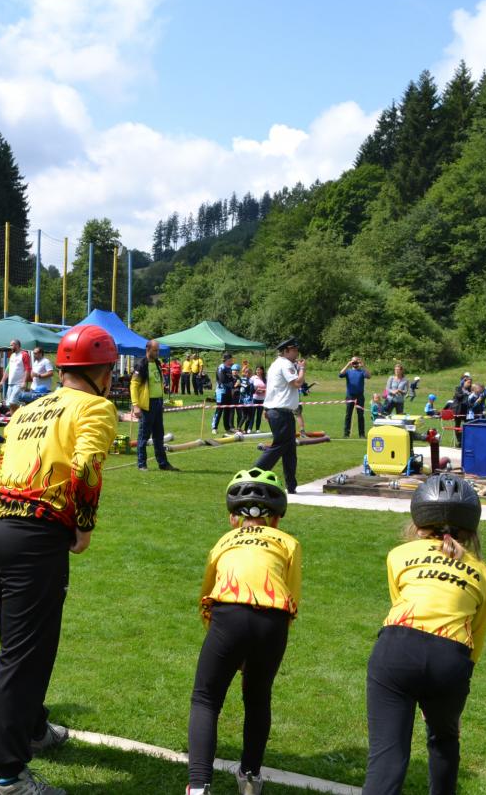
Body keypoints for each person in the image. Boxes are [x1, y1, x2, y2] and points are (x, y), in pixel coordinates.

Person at [0, 325, 119, 795]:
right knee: (24, 655)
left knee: (20, 645)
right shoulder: (96, 407)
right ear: (103, 372)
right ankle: (6, 777)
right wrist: (84, 524)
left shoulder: (29, 407)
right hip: (34, 537)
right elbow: (87, 466)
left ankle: (35, 728)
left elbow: (1, 464)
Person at [363, 474, 486, 795]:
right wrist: (454, 690)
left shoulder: (399, 555)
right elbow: (476, 635)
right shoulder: (483, 572)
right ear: (471, 528)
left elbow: (399, 601)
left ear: (418, 522)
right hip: (451, 658)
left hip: (396, 647)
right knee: (445, 740)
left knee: (387, 758)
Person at [186, 469, 301, 795]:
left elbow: (206, 595)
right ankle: (250, 777)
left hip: (228, 616)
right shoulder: (289, 542)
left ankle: (198, 787)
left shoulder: (223, 541)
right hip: (273, 620)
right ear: (276, 519)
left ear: (232, 518)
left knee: (206, 699)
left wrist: (224, 640)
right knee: (258, 695)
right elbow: (292, 596)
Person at [253, 338, 305, 494]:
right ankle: (254, 475)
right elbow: (297, 383)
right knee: (279, 446)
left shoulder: (276, 364)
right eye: (295, 350)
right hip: (281, 413)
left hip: (279, 412)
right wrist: (302, 369)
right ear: (287, 350)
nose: (297, 353)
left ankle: (291, 485)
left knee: (289, 451)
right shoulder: (285, 364)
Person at [131, 339, 178, 472]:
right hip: (147, 405)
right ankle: (142, 464)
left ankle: (163, 463)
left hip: (158, 403)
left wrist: (163, 388)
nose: (157, 353)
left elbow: (155, 381)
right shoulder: (141, 365)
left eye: (158, 350)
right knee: (143, 436)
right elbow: (133, 385)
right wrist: (135, 405)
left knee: (159, 435)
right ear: (148, 350)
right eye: (155, 350)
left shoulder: (157, 363)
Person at [339, 356, 371, 438]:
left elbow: (369, 376)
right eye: (353, 362)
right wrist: (348, 364)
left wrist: (363, 366)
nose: (355, 364)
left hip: (360, 396)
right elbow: (340, 374)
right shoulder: (348, 371)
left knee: (360, 415)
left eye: (356, 362)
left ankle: (362, 434)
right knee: (348, 415)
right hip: (350, 396)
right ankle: (346, 434)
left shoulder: (362, 371)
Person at [3, 339, 32, 412]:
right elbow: (8, 369)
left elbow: (27, 369)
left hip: (19, 383)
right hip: (10, 383)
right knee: (8, 404)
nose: (10, 347)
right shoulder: (12, 355)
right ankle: (13, 418)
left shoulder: (24, 354)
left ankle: (21, 414)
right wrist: (2, 381)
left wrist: (24, 382)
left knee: (12, 402)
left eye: (12, 345)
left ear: (17, 345)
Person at [212, 353, 237, 435]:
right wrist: (231, 382)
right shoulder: (221, 367)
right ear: (226, 360)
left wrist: (233, 381)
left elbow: (233, 379)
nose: (232, 360)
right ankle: (214, 427)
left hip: (229, 391)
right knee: (219, 410)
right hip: (221, 391)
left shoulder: (230, 368)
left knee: (227, 410)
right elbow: (222, 379)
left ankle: (227, 428)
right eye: (230, 359)